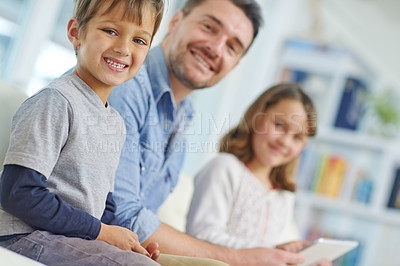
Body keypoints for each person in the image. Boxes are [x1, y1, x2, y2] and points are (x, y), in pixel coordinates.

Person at [108, 0, 307, 264]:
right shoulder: (126, 81)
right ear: (176, 21)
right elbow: (122, 216)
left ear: (234, 66)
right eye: (209, 27)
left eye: (233, 47)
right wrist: (240, 258)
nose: (216, 48)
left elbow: (141, 222)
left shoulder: (182, 114)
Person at [0, 0, 164, 265]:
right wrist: (101, 233)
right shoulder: (56, 101)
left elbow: (103, 207)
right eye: (111, 31)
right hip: (23, 236)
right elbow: (18, 193)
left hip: (71, 238)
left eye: (139, 40)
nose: (124, 48)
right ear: (76, 33)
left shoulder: (116, 123)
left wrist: (126, 244)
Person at [186, 83, 317, 250]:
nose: (284, 141)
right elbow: (200, 237)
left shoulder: (284, 195)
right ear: (256, 118)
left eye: (297, 137)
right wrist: (272, 253)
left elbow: (279, 250)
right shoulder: (225, 168)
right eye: (279, 125)